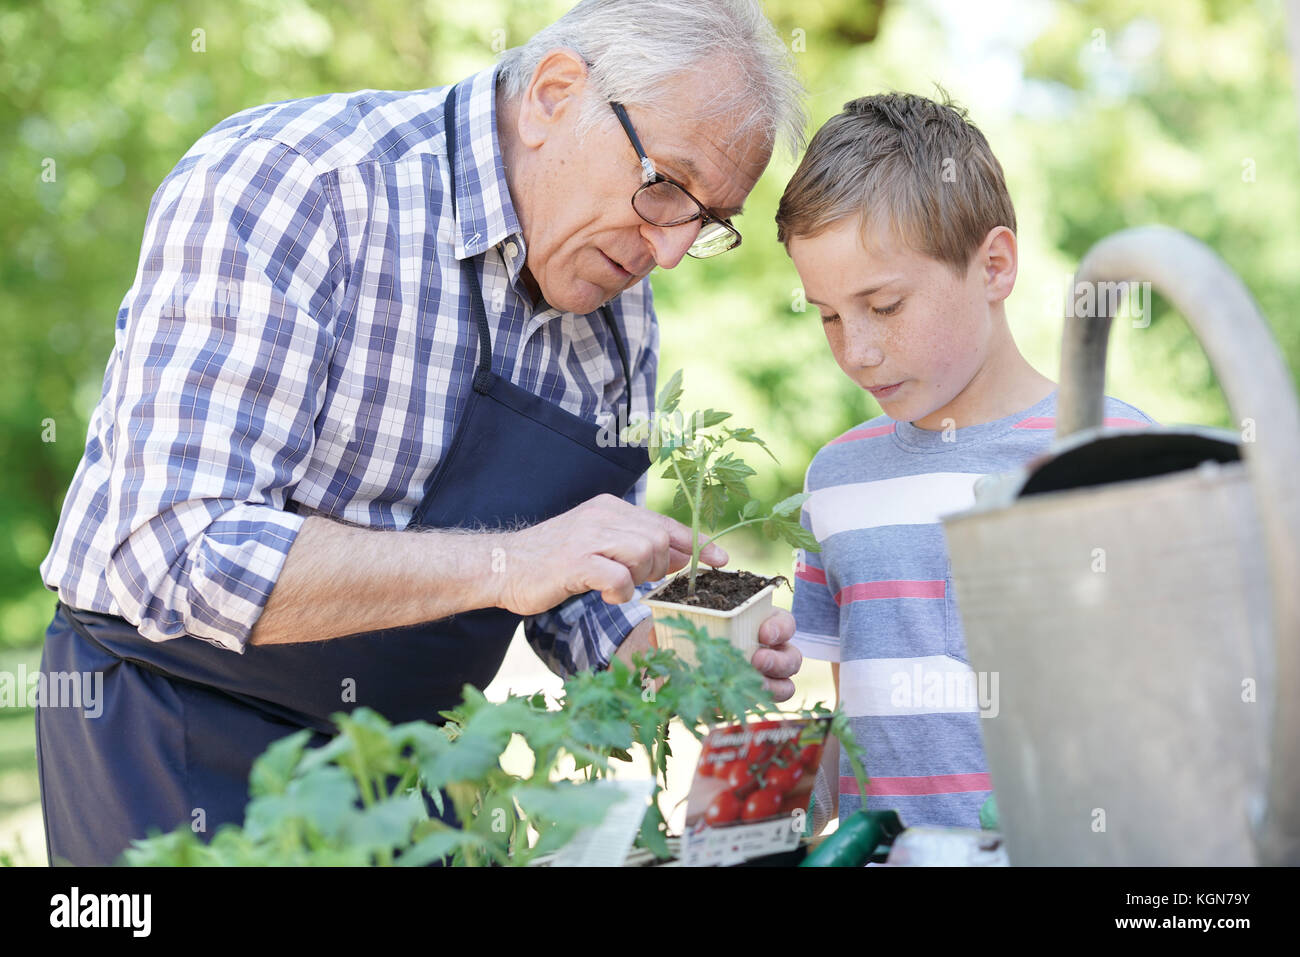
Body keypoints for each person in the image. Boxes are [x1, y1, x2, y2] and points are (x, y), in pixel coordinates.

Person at [35, 0, 808, 865]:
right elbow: (174, 548)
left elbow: (578, 590)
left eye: (707, 222)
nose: (668, 252)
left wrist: (664, 651)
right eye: (666, 184)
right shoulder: (295, 183)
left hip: (410, 772)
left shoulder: (618, 312)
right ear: (555, 93)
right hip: (177, 734)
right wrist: (508, 563)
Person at [775, 92, 1154, 832]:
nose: (857, 350)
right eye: (826, 314)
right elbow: (850, 738)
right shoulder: (835, 481)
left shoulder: (1112, 452)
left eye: (883, 306)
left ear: (995, 266)